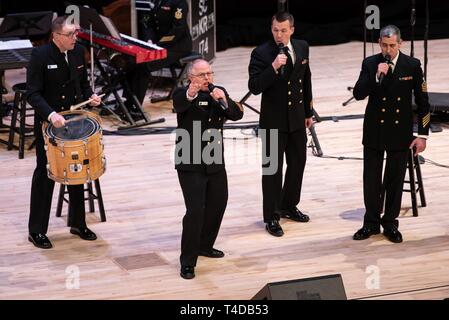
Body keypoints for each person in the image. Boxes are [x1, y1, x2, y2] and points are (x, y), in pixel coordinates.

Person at [26, 16, 102, 249]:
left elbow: (82, 83)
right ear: (56, 36)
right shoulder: (40, 56)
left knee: (77, 169)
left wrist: (91, 97)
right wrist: (51, 115)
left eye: (76, 34)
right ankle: (36, 230)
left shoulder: (78, 52)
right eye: (70, 35)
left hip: (75, 121)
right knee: (46, 172)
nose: (75, 38)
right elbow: (33, 94)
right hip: (50, 124)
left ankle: (78, 223)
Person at [352, 25, 430, 243]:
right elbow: (358, 94)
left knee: (394, 180)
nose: (388, 50)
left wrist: (422, 135)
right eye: (385, 45)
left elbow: (423, 102)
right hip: (375, 129)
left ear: (400, 43)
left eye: (392, 45)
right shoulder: (370, 63)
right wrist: (376, 75)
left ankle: (390, 223)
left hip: (399, 131)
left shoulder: (412, 65)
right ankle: (371, 223)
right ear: (379, 43)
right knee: (371, 180)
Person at [173, 59, 243, 279]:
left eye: (209, 73)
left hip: (214, 159)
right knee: (195, 212)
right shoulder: (182, 94)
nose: (207, 78)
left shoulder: (217, 93)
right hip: (190, 160)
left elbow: (236, 114)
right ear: (191, 77)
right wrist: (191, 93)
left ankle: (205, 245)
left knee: (218, 203)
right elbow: (181, 104)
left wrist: (224, 99)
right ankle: (188, 261)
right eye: (202, 75)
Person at [248, 12, 314, 237]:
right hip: (272, 122)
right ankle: (272, 216)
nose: (279, 34)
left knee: (298, 165)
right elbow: (255, 86)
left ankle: (288, 205)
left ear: (292, 30)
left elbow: (306, 79)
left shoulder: (302, 46)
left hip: (296, 119)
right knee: (272, 171)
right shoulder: (261, 53)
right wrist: (273, 67)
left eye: (283, 30)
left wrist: (308, 111)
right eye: (275, 30)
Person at [125, 0, 193, 109]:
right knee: (132, 61)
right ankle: (128, 102)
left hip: (176, 46)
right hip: (157, 45)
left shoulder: (179, 3)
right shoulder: (154, 1)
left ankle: (136, 108)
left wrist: (159, 45)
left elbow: (178, 29)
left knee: (144, 66)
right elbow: (146, 22)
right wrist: (149, 40)